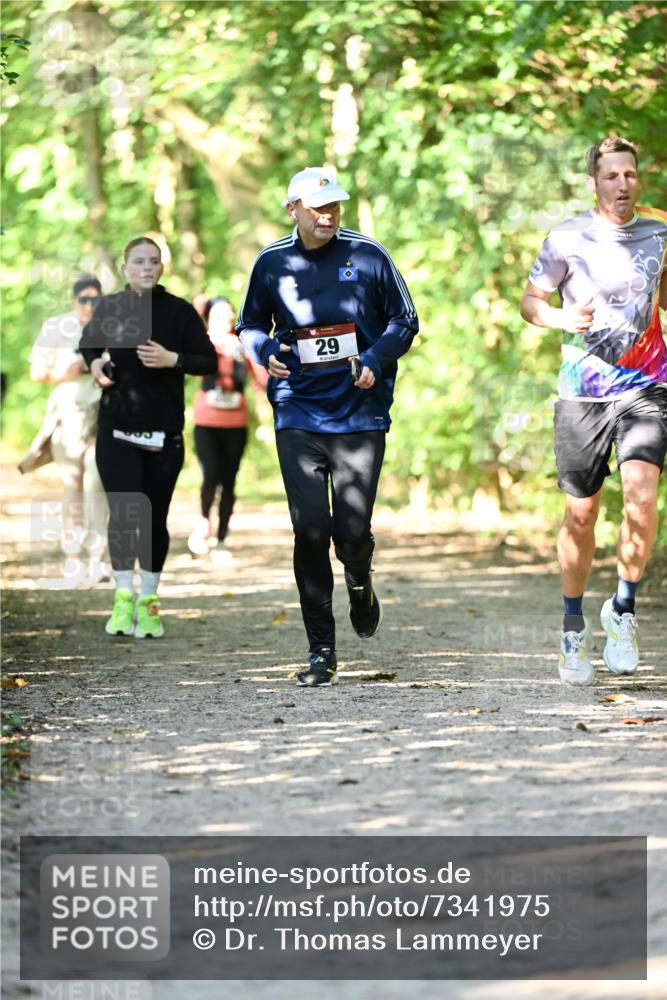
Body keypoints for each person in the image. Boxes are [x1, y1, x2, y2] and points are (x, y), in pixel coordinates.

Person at [237, 166, 418, 687]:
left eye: (334, 205)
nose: (328, 215)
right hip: (297, 409)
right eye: (317, 207)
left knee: (351, 533)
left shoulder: (368, 255)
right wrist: (267, 350)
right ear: (291, 208)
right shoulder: (272, 262)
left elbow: (405, 320)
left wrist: (376, 359)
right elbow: (248, 324)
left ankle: (359, 577)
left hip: (360, 411)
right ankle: (322, 649)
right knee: (310, 529)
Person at [520, 136, 667, 685]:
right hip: (582, 389)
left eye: (630, 174)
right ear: (594, 182)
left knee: (642, 498)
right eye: (611, 176)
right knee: (581, 514)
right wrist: (562, 320)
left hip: (647, 384)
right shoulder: (566, 237)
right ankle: (573, 624)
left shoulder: (660, 232)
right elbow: (530, 302)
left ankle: (624, 610)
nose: (622, 184)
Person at [80, 237, 217, 638]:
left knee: (154, 518)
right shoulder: (110, 307)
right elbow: (87, 345)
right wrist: (96, 365)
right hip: (116, 429)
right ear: (125, 268)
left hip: (164, 433)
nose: (146, 267)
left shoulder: (179, 312)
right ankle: (123, 599)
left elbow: (208, 359)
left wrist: (174, 360)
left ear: (161, 268)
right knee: (125, 514)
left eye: (153, 261)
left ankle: (150, 601)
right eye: (139, 261)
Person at [24, 275, 109, 583]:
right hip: (66, 420)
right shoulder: (56, 327)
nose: (89, 305)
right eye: (84, 299)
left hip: (103, 419)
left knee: (96, 485)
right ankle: (73, 559)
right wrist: (67, 370)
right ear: (74, 301)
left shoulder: (113, 327)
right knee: (72, 489)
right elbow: (37, 372)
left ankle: (99, 558)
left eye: (95, 299)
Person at [188, 296, 268, 558]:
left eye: (229, 314)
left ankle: (221, 538)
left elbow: (262, 378)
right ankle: (203, 524)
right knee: (211, 474)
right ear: (209, 317)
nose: (226, 319)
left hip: (236, 422)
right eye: (219, 314)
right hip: (206, 421)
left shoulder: (242, 345)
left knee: (229, 480)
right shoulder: (200, 342)